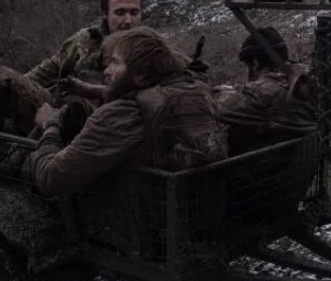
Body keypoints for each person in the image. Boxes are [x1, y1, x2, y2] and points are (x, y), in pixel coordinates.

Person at [28, 27, 225, 196]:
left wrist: (50, 127)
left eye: (115, 62)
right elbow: (144, 94)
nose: (106, 71)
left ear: (140, 74)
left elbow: (52, 179)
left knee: (32, 163)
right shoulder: (199, 91)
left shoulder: (121, 115)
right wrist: (93, 90)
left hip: (137, 226)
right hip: (194, 213)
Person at [0, 0, 144, 135]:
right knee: (1, 78)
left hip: (100, 123)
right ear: (105, 13)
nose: (128, 20)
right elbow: (47, 70)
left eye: (134, 13)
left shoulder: (150, 50)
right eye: (120, 13)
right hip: (58, 110)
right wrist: (17, 93)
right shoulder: (85, 40)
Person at [214, 27, 315, 152]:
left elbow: (218, 108)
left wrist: (214, 91)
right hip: (304, 159)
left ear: (255, 63)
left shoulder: (265, 93)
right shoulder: (303, 78)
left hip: (272, 166)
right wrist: (237, 89)